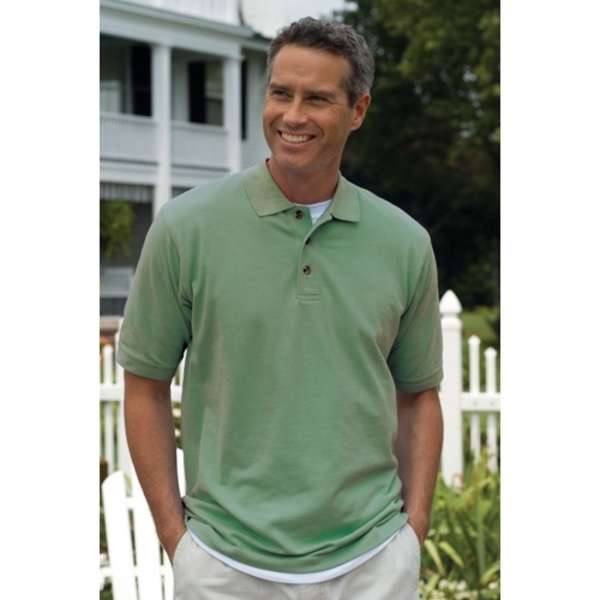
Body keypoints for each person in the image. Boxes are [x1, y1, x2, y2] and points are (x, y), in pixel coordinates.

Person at [117, 17, 444, 600]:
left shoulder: (404, 242)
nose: (292, 116)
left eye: (317, 99)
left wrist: (410, 536)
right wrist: (179, 542)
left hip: (371, 563)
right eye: (280, 93)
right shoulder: (186, 228)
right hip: (225, 566)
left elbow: (418, 396)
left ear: (358, 110)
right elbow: (144, 384)